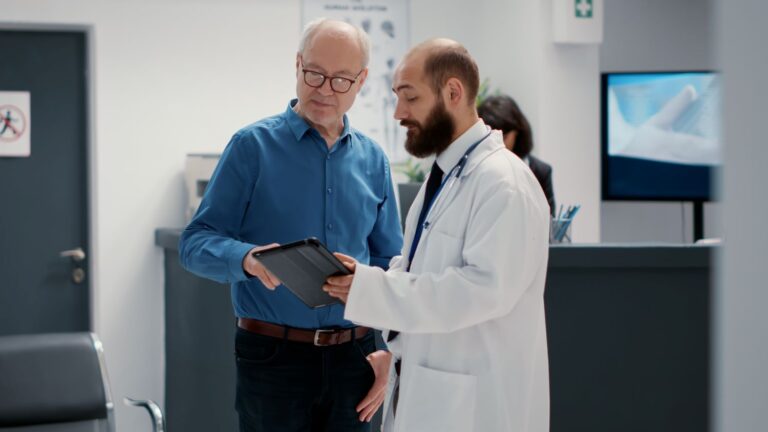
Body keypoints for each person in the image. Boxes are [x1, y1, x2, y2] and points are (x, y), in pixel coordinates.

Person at [179, 18, 403, 432]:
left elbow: (393, 265)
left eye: (340, 80)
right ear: (298, 65)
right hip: (273, 358)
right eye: (314, 73)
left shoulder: (374, 161)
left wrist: (394, 351)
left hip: (357, 358)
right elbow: (194, 244)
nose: (323, 89)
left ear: (362, 81)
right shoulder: (252, 148)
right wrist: (247, 259)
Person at [324, 39, 551, 432]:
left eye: (409, 98)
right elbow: (415, 268)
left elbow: (481, 291)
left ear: (453, 92)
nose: (398, 113)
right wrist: (364, 283)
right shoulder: (446, 175)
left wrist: (371, 289)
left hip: (476, 406)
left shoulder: (504, 183)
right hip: (432, 393)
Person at [478, 94, 556, 215]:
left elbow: (550, 225)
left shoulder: (541, 171)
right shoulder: (477, 170)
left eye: (504, 137)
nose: (498, 143)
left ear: (518, 132)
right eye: (491, 137)